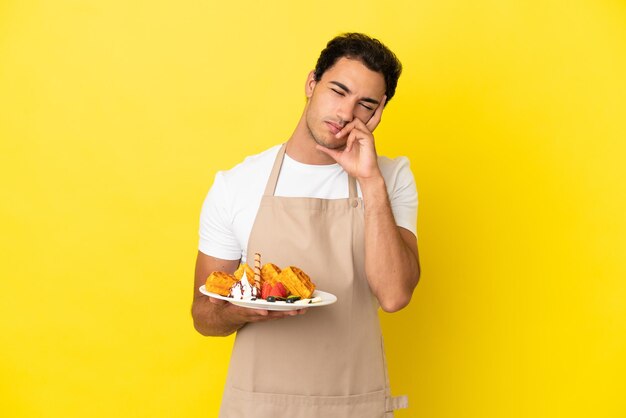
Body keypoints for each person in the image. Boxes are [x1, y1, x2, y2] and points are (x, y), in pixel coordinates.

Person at [192, 32, 420, 417]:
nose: (346, 113)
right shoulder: (236, 185)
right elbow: (203, 315)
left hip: (354, 405)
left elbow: (395, 296)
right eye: (338, 91)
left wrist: (370, 182)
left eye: (365, 104)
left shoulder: (390, 178)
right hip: (258, 407)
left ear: (378, 112)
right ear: (312, 82)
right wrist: (240, 311)